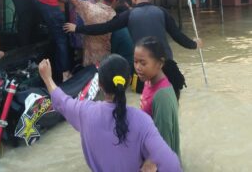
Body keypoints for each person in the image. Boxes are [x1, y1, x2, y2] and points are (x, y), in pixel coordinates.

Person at [38, 54, 182, 172]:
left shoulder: (84, 112)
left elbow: (61, 101)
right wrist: (151, 160)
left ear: (99, 84)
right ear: (129, 81)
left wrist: (47, 78)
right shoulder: (142, 121)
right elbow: (172, 165)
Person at [64, 0, 202, 97]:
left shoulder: (128, 15)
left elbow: (104, 28)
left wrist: (78, 29)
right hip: (166, 66)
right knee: (171, 95)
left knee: (141, 95)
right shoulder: (162, 12)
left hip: (144, 71)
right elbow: (178, 36)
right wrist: (194, 44)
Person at [134, 36, 180, 157]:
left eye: (143, 63)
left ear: (159, 63)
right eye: (135, 61)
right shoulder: (148, 81)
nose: (138, 67)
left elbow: (164, 144)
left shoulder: (162, 97)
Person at [68, 0, 117, 66]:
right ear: (114, 0)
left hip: (89, 58)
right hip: (105, 59)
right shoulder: (114, 16)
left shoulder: (89, 8)